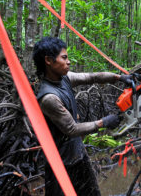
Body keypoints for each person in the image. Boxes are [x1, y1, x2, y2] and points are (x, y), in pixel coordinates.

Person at [32, 37, 132, 196]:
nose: (69, 61)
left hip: (79, 154)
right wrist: (103, 122)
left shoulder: (66, 78)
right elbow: (71, 128)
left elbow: (93, 77)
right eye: (64, 58)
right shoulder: (49, 98)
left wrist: (120, 77)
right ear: (49, 61)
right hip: (60, 164)